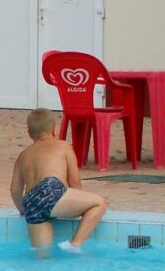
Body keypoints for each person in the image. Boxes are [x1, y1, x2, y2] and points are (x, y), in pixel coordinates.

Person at [10, 108, 107, 252]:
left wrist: (23, 210)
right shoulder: (63, 146)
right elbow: (75, 183)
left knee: (43, 254)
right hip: (51, 188)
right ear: (54, 130)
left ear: (29, 134)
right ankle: (75, 244)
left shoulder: (23, 155)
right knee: (99, 203)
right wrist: (73, 204)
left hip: (31, 202)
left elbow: (15, 191)